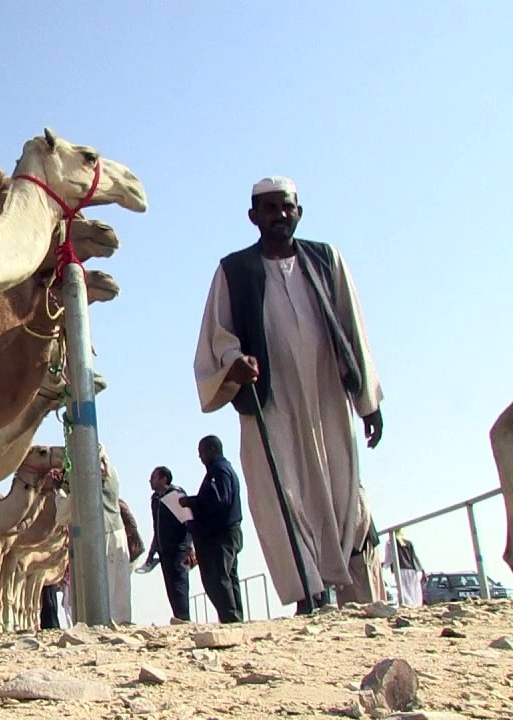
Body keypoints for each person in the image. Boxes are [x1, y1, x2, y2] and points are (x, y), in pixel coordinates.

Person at [193, 175, 385, 615]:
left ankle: (331, 584)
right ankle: (307, 592)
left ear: (298, 212)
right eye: (270, 209)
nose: (280, 215)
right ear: (253, 217)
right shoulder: (234, 270)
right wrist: (235, 363)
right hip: (269, 400)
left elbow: (352, 326)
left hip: (327, 393)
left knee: (337, 484)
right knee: (279, 492)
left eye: (287, 207)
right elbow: (218, 335)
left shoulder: (326, 260)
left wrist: (368, 400)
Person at [181, 435, 244, 623]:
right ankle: (233, 617)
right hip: (226, 532)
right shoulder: (222, 470)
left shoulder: (220, 471)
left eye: (202, 452)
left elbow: (218, 501)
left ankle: (230, 619)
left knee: (218, 578)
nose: (200, 457)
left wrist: (191, 503)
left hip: (221, 534)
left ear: (212, 450)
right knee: (228, 577)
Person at [141, 466, 196, 622]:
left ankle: (184, 619)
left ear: (164, 479)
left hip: (179, 549)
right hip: (164, 550)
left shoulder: (176, 495)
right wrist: (152, 552)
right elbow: (156, 528)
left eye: (154, 478)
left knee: (179, 585)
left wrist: (189, 548)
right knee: (171, 587)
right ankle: (179, 618)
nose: (150, 481)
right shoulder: (155, 500)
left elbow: (188, 522)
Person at [99, 445, 132, 624]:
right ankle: (123, 618)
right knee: (121, 580)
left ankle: (106, 619)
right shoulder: (114, 473)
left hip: (102, 530)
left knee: (106, 578)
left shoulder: (88, 475)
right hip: (118, 529)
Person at [383, 529, 425, 606]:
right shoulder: (408, 543)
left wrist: (383, 566)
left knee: (404, 593)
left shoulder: (390, 542)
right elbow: (414, 557)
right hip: (413, 570)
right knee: (413, 593)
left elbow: (389, 559)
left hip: (400, 570)